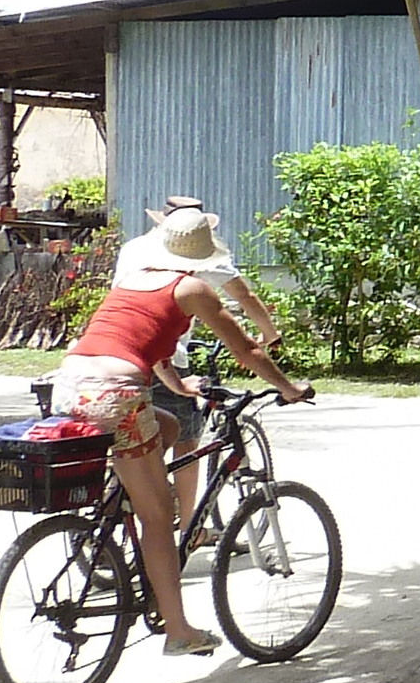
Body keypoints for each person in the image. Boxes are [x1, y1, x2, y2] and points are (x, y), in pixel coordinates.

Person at [55, 203, 308, 656]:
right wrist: (288, 387)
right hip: (115, 392)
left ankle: (125, 493)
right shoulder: (191, 288)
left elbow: (149, 347)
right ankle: (178, 631)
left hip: (72, 382)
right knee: (158, 520)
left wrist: (178, 385)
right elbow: (248, 351)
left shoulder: (134, 279)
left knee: (168, 425)